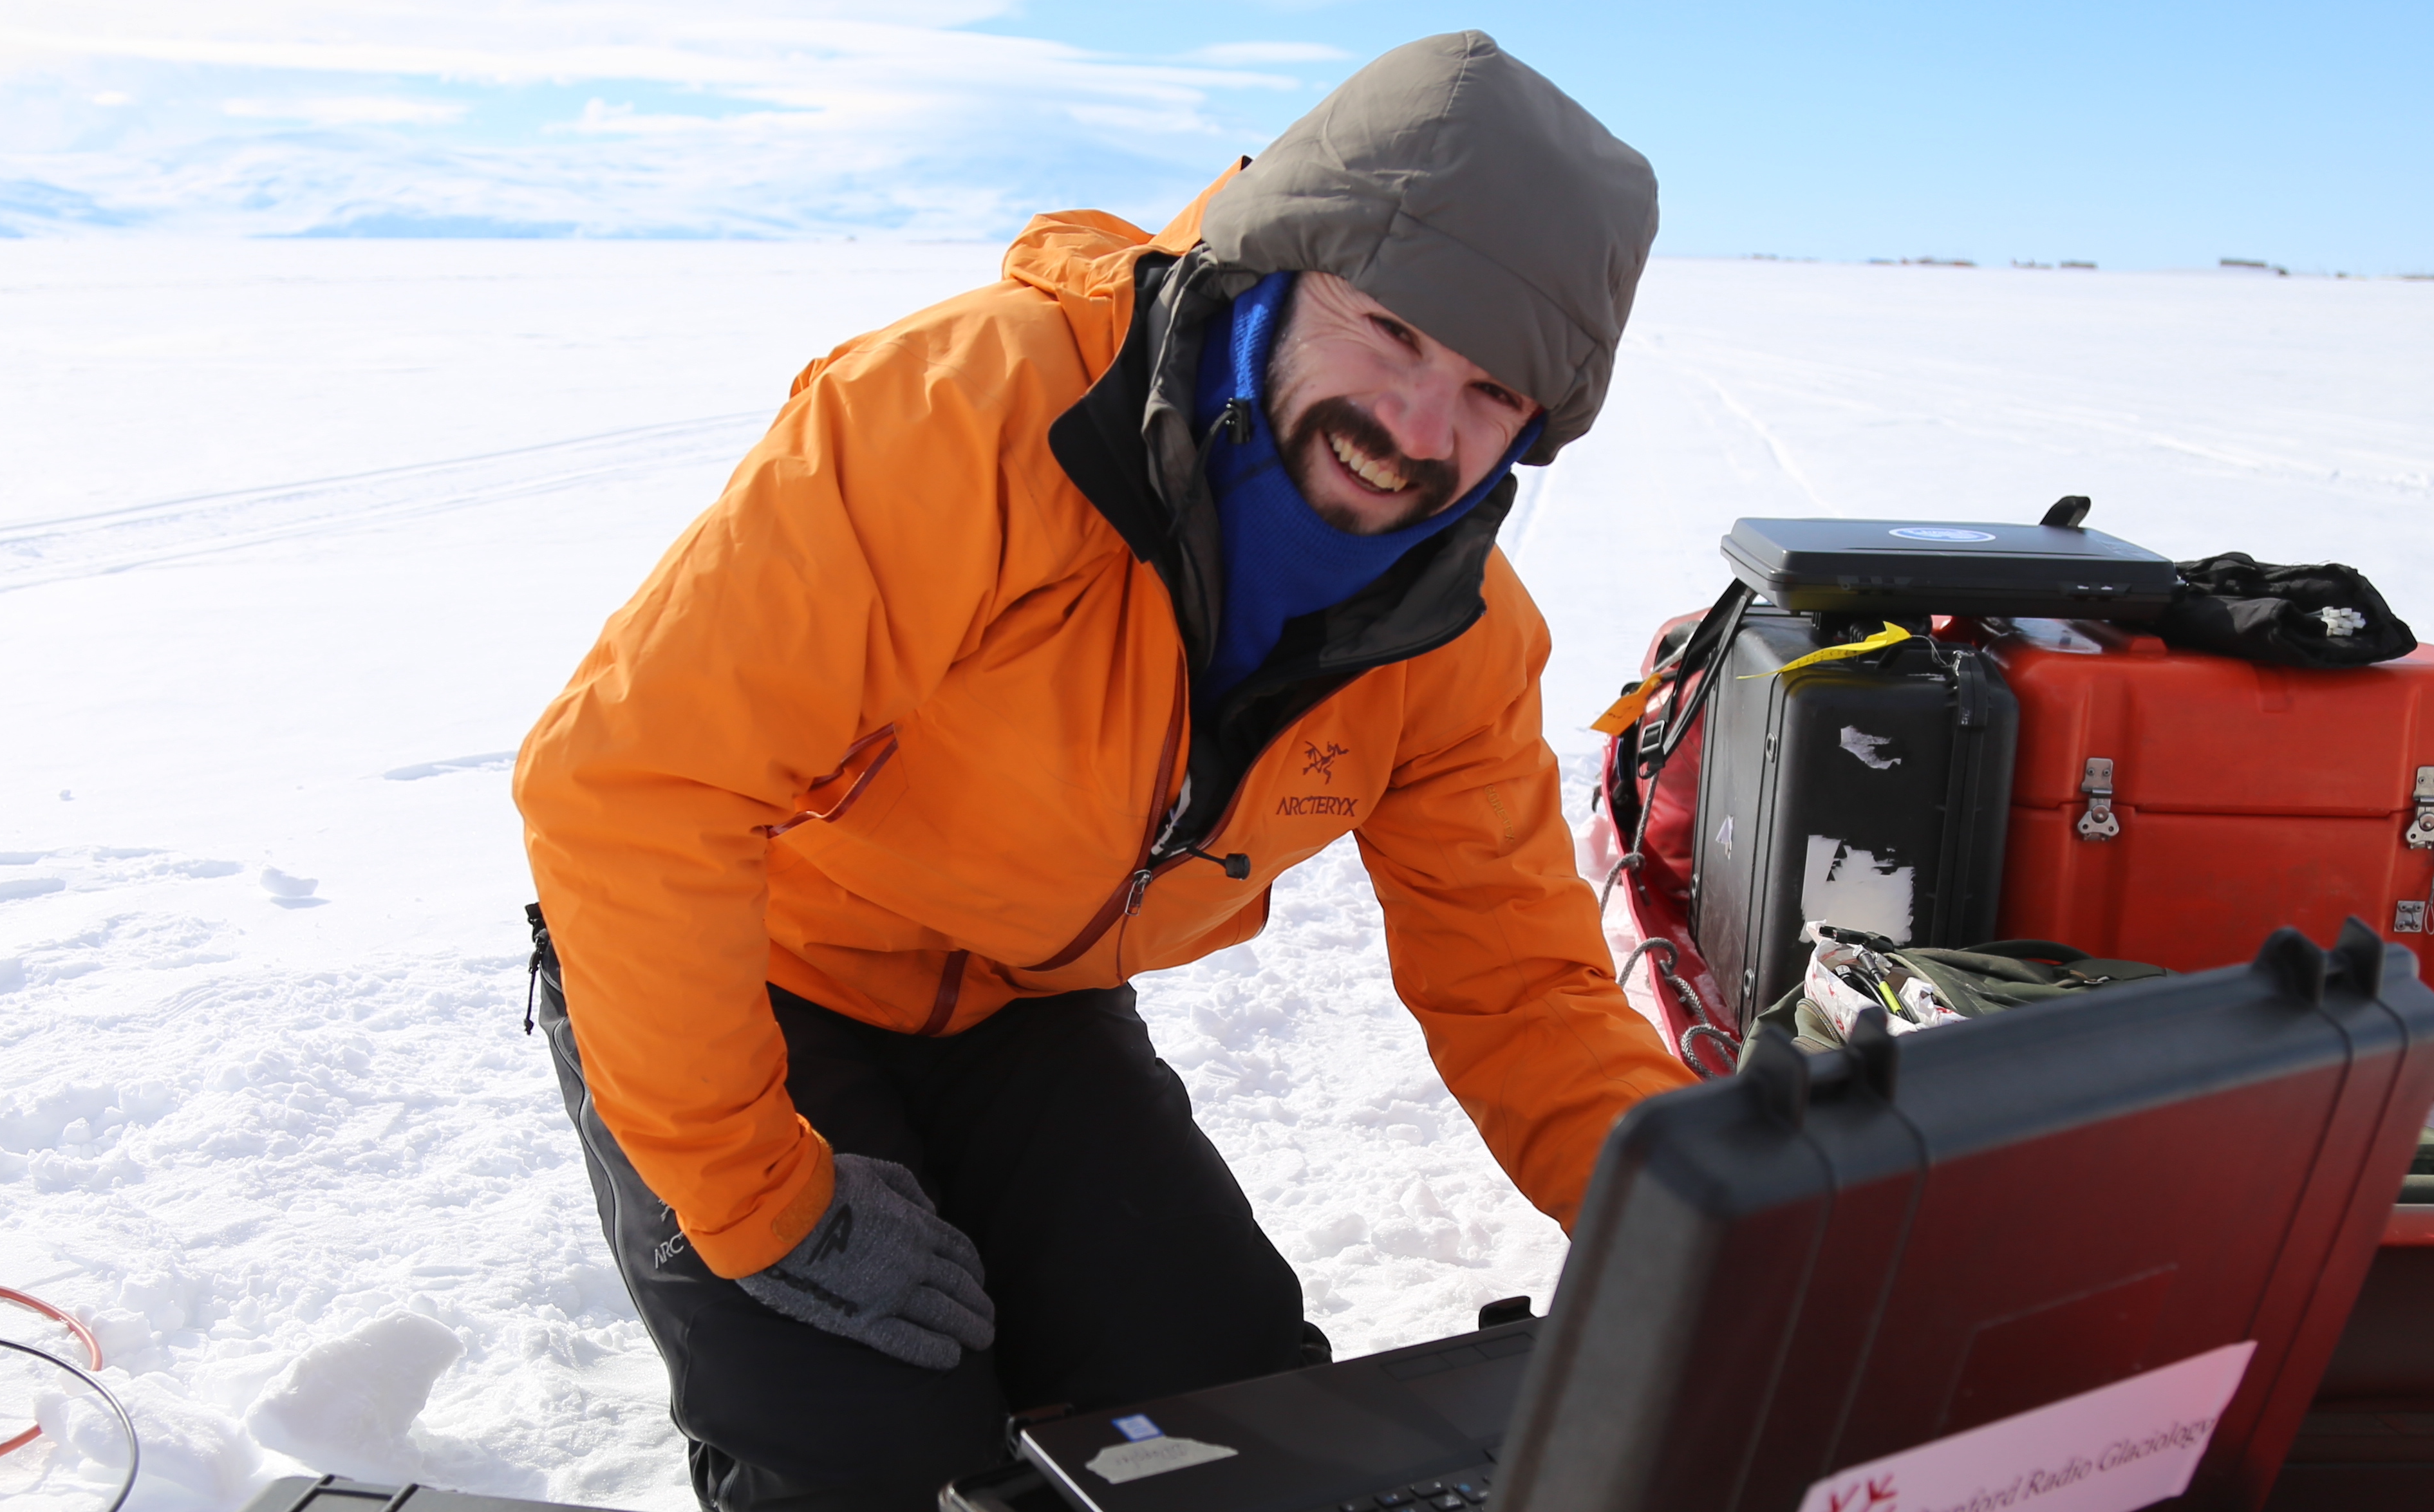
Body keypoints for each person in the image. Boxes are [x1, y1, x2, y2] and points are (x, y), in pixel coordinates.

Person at [513, 31, 1689, 1511]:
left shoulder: (1448, 633)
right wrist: (764, 1199)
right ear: (1279, 267)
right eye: (1389, 329)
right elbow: (632, 789)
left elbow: (1521, 983)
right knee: (872, 1442)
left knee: (1234, 1391)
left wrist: (1705, 1231)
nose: (1415, 431)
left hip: (1015, 996)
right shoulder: (972, 416)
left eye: (1490, 392)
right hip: (740, 950)